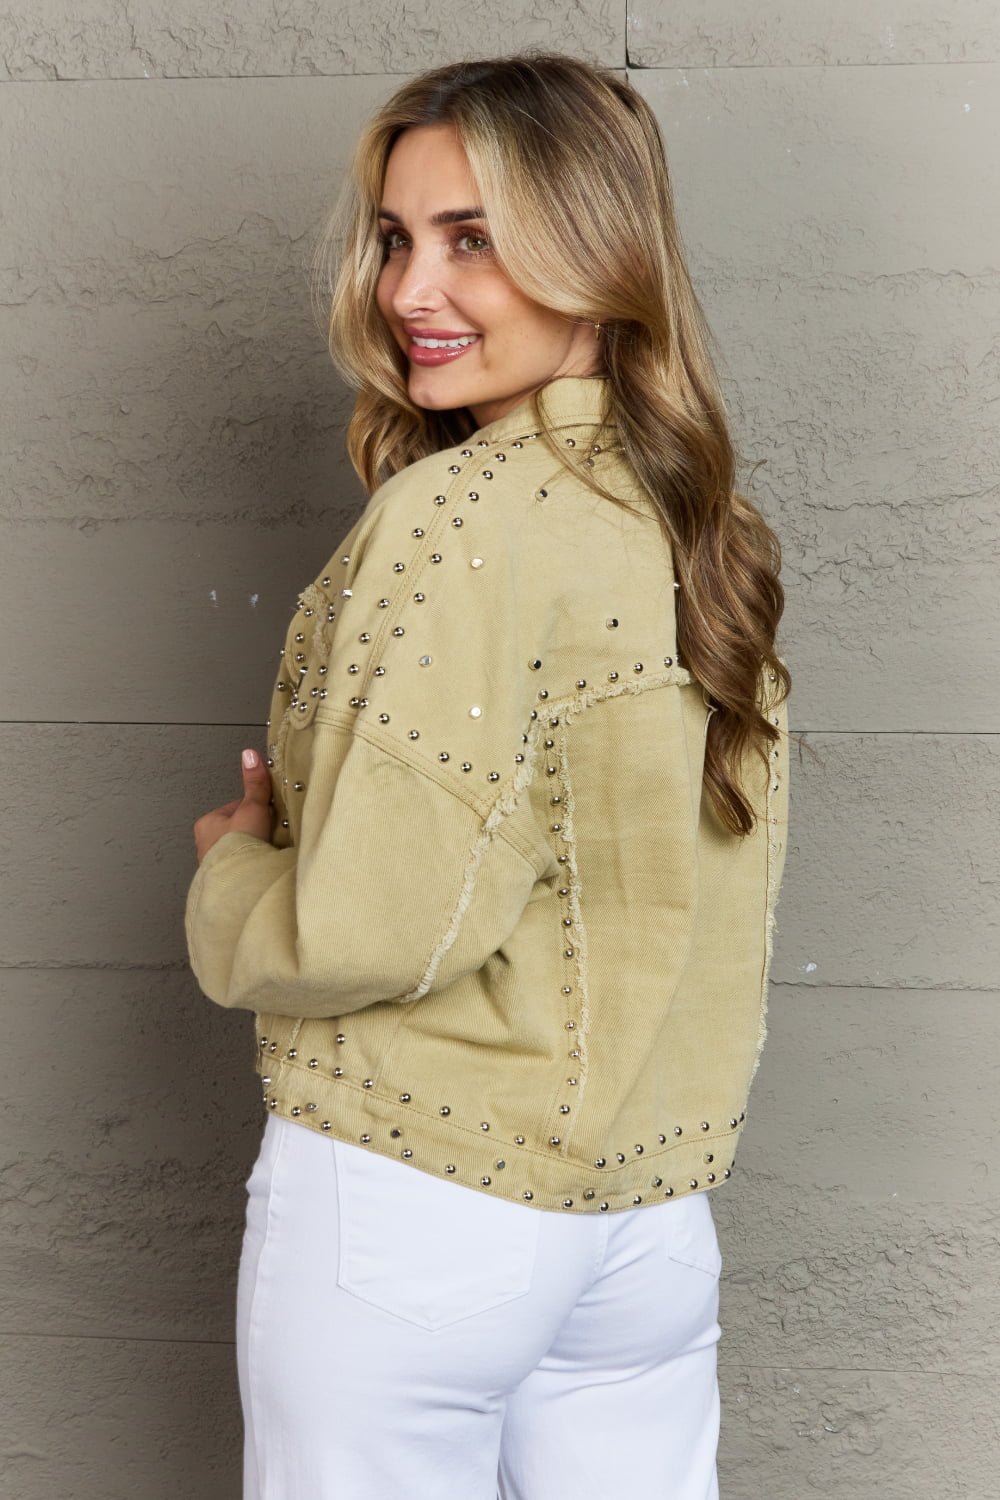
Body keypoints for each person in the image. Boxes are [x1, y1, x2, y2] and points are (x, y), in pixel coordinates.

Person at [185, 52, 790, 1500]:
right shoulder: (701, 521)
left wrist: (232, 874)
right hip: (643, 1228)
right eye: (397, 238)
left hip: (420, 1204)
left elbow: (371, 930)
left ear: (600, 251)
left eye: (474, 239)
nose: (409, 290)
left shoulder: (457, 517)